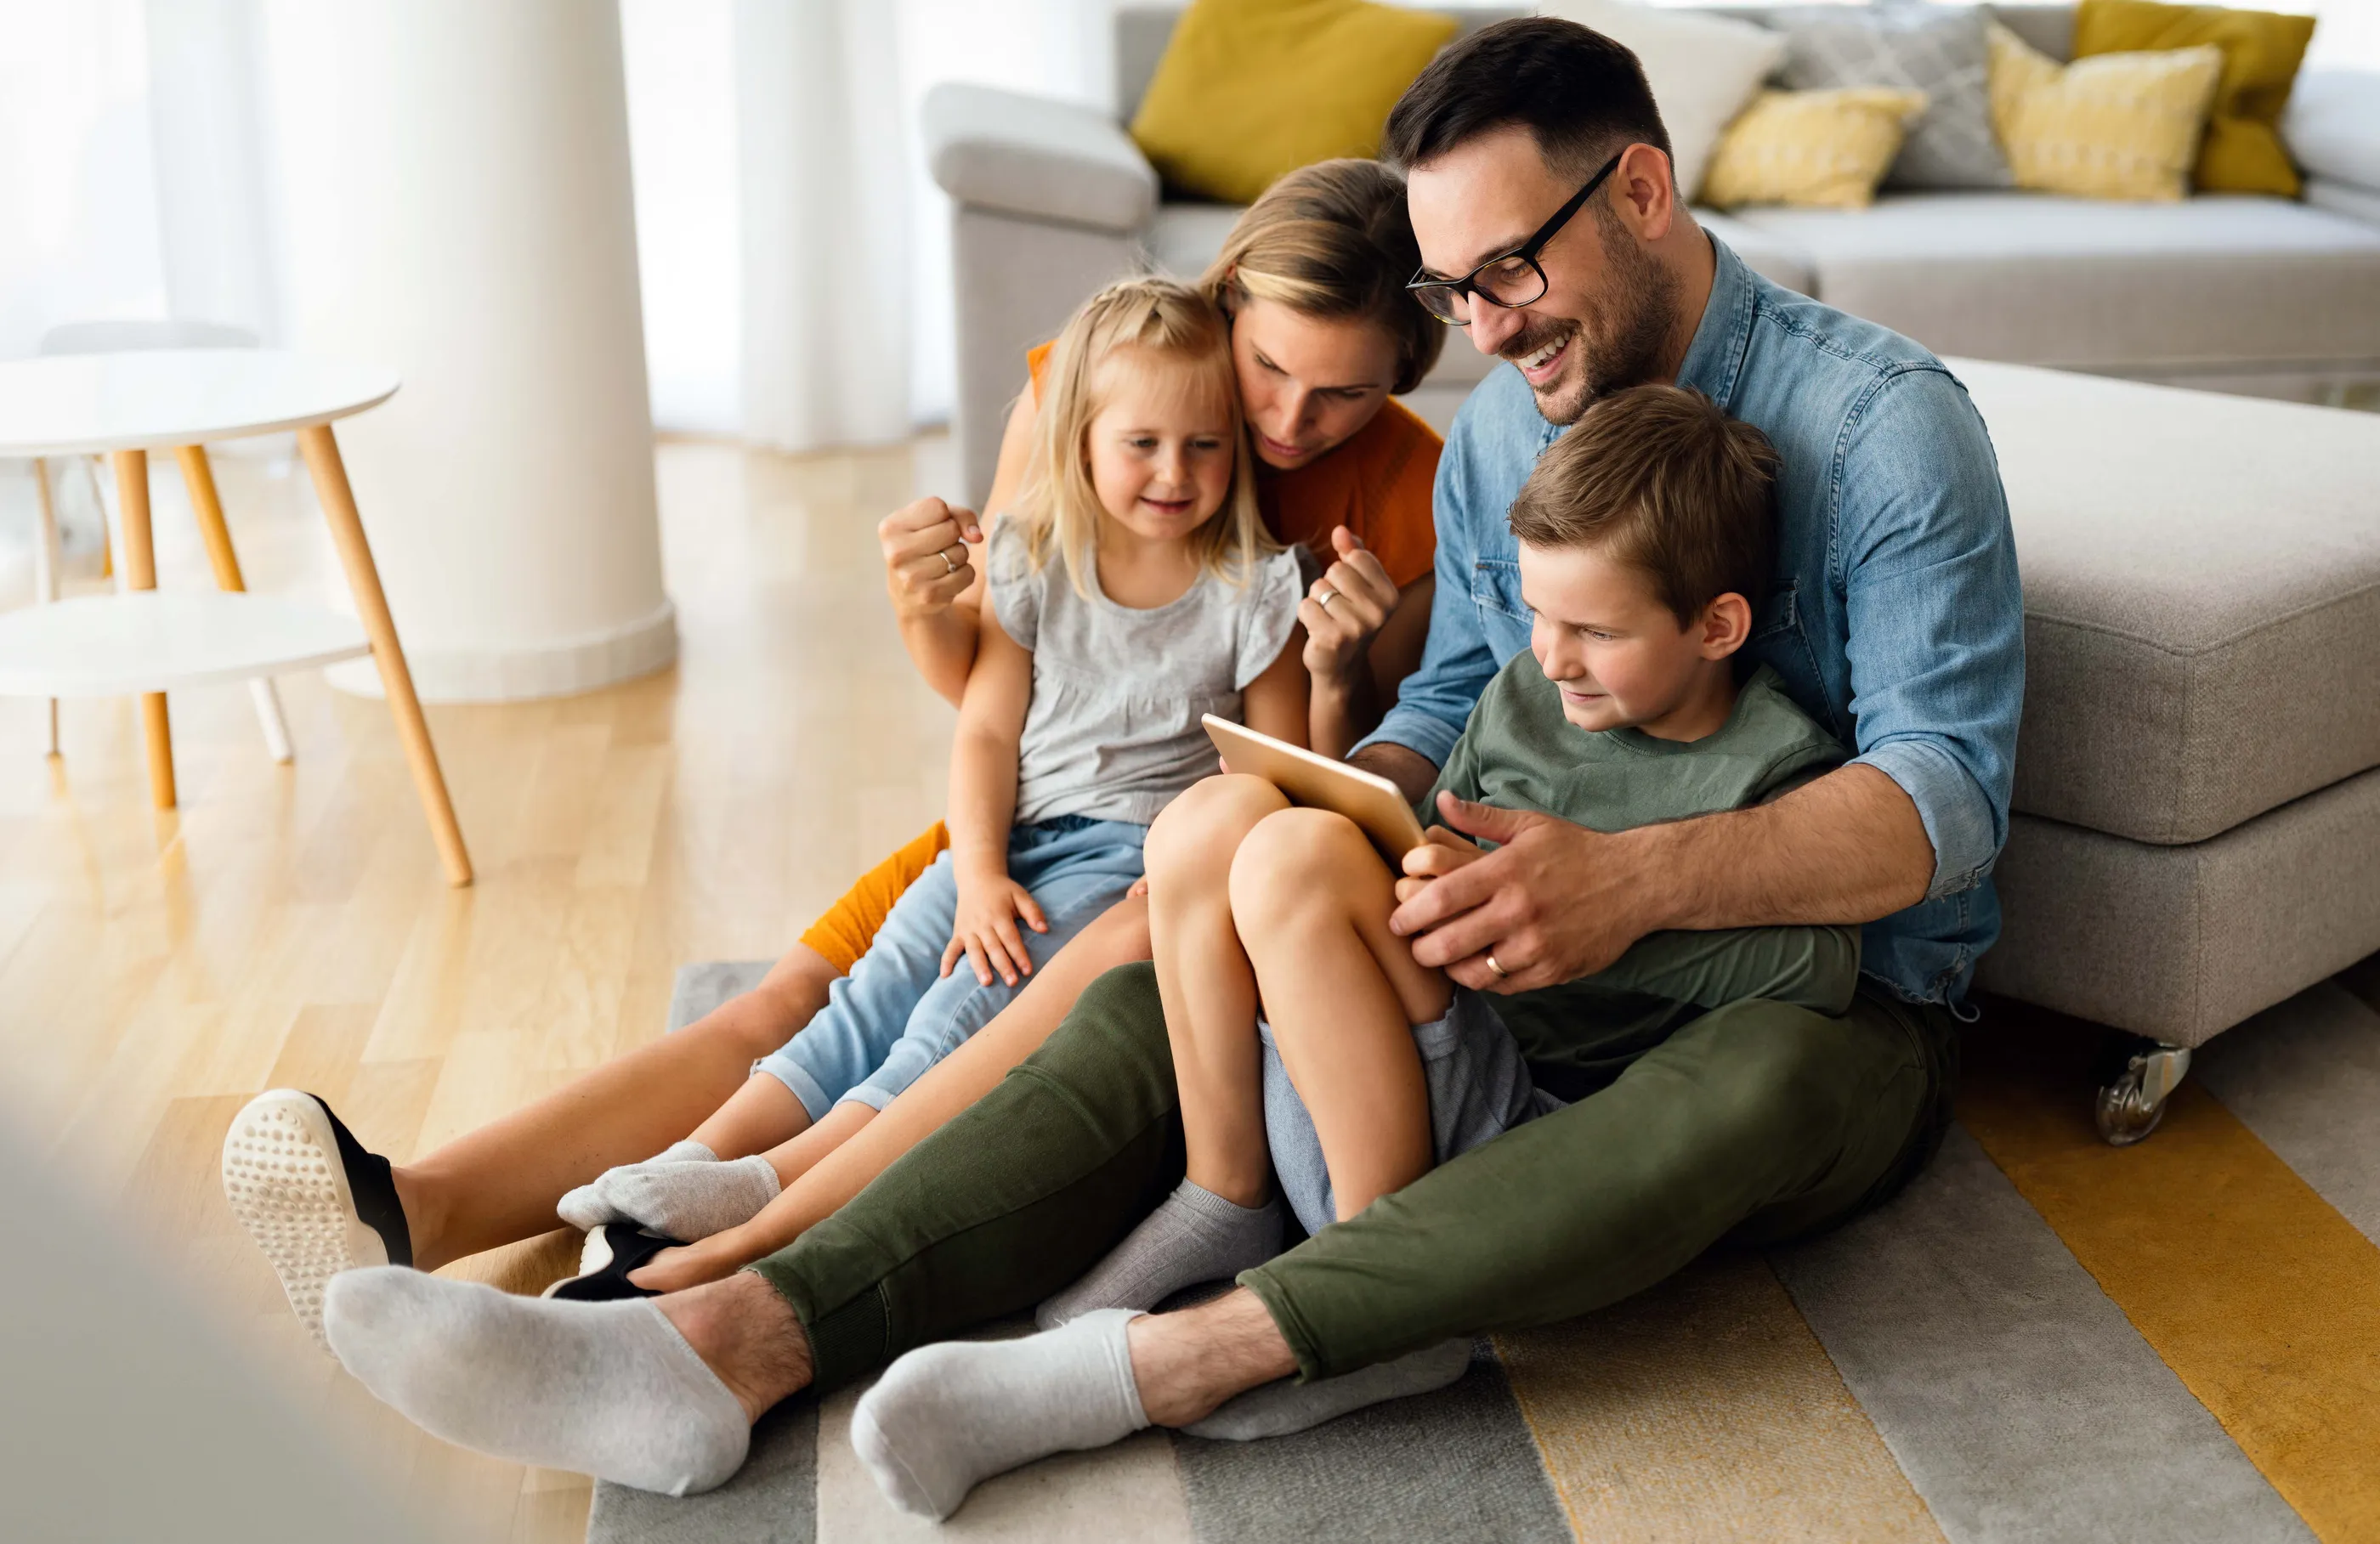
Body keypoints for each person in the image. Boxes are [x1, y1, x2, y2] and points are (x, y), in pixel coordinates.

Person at [304, 13, 2023, 1516]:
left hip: (1815, 1004)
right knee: (1155, 948)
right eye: (1453, 291)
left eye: (1507, 272)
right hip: (1516, 957)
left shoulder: (1883, 427)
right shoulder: (1511, 424)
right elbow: (1451, 703)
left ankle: (1180, 1357)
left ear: (1641, 191)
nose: (1484, 331)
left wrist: (1634, 880)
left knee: (1763, 1082)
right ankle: (712, 1339)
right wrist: (1301, 813)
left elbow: (1946, 797)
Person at [218, 160, 1453, 1329]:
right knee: (794, 999)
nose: (1292, 418)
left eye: (1346, 392)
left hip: (1180, 856)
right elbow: (991, 686)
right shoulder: (1099, 382)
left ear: (1406, 368)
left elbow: (1320, 786)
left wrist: (1340, 665)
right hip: (1032, 799)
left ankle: (727, 1228)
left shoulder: (1411, 493)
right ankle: (421, 1209)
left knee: (944, 1023)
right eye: (1270, 367)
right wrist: (925, 612)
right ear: (1226, 300)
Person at [1019, 383, 1862, 1408]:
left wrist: (1582, 921)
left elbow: (1820, 961)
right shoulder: (1524, 696)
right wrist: (1432, 874)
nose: (1551, 656)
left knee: (1295, 860)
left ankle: (1380, 1301)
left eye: (1594, 630)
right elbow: (1438, 840)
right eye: (1538, 613)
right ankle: (1223, 1192)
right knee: (1209, 816)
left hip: (1505, 1125)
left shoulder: (1778, 762)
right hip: (1383, 1068)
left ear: (1717, 625)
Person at [530, 276, 1318, 1296]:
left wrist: (1189, 879)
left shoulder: (1254, 589)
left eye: (1205, 444)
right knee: (872, 991)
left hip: (1127, 859)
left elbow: (1275, 774)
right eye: (1143, 443)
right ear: (1079, 436)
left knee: (952, 1021)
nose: (1176, 472)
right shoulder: (1036, 559)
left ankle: (776, 1185)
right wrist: (979, 870)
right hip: (1009, 839)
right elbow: (988, 731)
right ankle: (692, 1163)